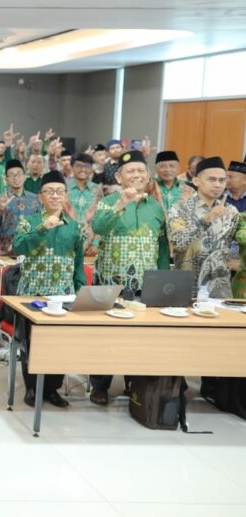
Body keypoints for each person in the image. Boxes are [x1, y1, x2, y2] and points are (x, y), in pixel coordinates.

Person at [88, 150, 170, 405]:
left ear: (148, 175)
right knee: (104, 336)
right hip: (108, 282)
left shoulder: (156, 207)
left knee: (139, 336)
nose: (136, 175)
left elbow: (162, 247)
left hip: (144, 285)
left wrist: (163, 281)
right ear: (119, 177)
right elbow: (98, 227)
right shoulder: (108, 201)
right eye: (130, 171)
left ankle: (134, 383)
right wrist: (120, 205)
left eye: (141, 171)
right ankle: (99, 386)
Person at [12, 171, 86, 408]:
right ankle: (32, 388)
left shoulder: (74, 227)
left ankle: (52, 389)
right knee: (31, 342)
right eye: (49, 191)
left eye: (60, 191)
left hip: (63, 293)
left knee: (60, 343)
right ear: (40, 197)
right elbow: (18, 247)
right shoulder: (29, 222)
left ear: (66, 195)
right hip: (32, 292)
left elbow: (78, 262)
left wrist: (80, 290)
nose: (55, 196)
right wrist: (42, 228)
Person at [167, 157, 239, 299]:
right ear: (196, 181)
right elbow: (178, 243)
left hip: (219, 289)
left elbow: (236, 245)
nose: (218, 185)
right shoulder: (180, 209)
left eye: (222, 180)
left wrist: (234, 258)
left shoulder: (231, 211)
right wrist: (206, 220)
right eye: (212, 180)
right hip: (186, 287)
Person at [0, 159, 41, 256]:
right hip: (5, 249)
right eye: (12, 175)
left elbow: (40, 224)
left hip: (29, 248)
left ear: (25, 177)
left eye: (19, 174)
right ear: (6, 179)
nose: (16, 178)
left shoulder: (35, 199)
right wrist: (1, 209)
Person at [67, 153, 102, 256]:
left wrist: (96, 243)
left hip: (89, 246)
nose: (83, 169)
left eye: (87, 166)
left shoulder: (97, 190)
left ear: (91, 168)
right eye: (78, 166)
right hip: (66, 244)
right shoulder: (63, 188)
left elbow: (101, 218)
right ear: (71, 167)